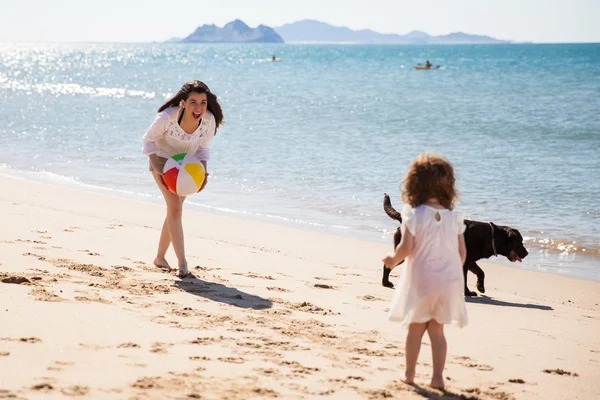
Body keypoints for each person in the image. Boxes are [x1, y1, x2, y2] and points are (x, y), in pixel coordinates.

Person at [382, 152, 467, 389]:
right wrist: (451, 273)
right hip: (447, 282)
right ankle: (438, 378)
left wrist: (392, 259)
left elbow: (406, 248)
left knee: (416, 327)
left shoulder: (414, 215)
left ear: (414, 183)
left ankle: (409, 375)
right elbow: (462, 254)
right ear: (449, 186)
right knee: (438, 332)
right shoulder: (455, 218)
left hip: (422, 281)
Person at [142, 80, 224, 278]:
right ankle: (183, 263)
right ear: (183, 103)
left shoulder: (209, 120)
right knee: (175, 208)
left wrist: (203, 172)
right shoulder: (168, 117)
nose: (199, 107)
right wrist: (156, 166)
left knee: (174, 209)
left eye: (203, 102)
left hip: (188, 165)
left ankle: (160, 258)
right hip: (162, 160)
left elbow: (203, 148)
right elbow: (148, 141)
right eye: (193, 102)